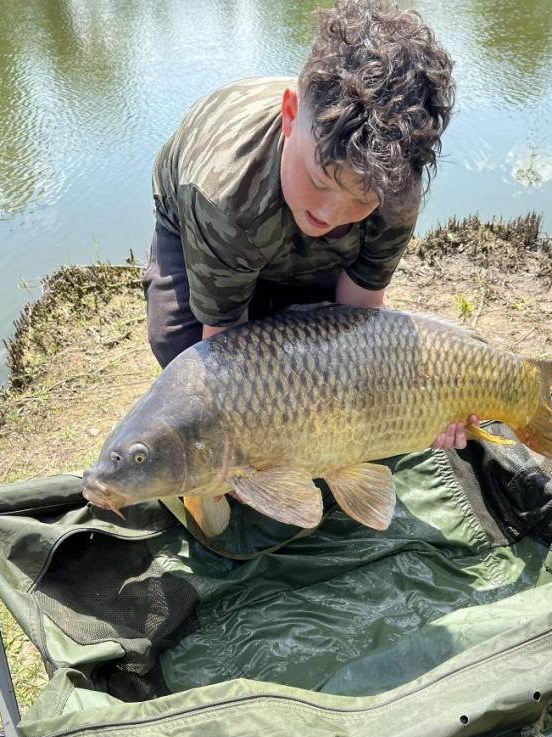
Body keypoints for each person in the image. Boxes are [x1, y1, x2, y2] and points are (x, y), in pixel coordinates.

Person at [143, 0, 476, 450]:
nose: (331, 213)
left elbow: (359, 320)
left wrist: (411, 409)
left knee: (333, 355)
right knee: (185, 356)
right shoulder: (223, 193)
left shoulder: (393, 185)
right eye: (321, 182)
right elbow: (227, 354)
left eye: (361, 200)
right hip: (210, 213)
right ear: (289, 115)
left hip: (278, 201)